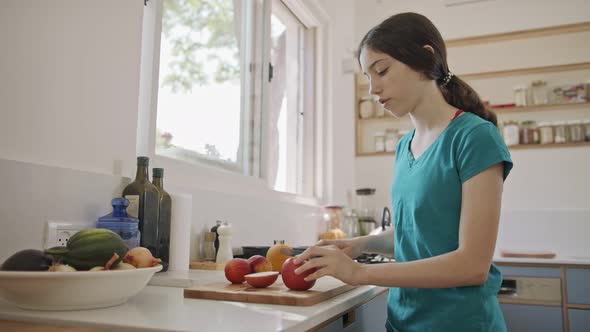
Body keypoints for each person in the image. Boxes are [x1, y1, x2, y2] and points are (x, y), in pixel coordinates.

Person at [294, 12, 513, 332]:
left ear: (426, 58)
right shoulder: (404, 146)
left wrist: (360, 273)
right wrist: (357, 245)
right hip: (402, 321)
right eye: (367, 77)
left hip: (461, 323)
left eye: (381, 70)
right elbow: (414, 234)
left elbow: (472, 265)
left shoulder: (474, 137)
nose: (372, 88)